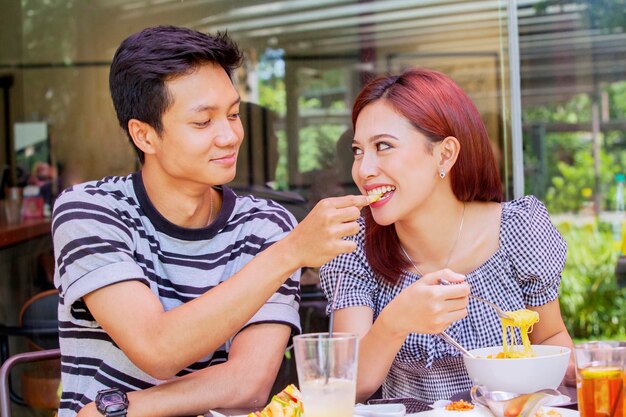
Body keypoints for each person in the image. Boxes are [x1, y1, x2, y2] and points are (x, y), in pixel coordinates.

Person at [52, 25, 368, 417]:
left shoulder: (264, 225)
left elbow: (249, 383)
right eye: (203, 122)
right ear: (145, 136)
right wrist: (291, 253)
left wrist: (118, 408)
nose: (230, 136)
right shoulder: (90, 211)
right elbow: (157, 349)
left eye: (233, 114)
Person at [319, 68, 575, 403]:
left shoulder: (517, 229)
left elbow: (551, 336)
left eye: (383, 146)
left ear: (445, 154)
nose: (363, 169)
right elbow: (345, 385)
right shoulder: (353, 244)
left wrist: (589, 371)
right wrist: (395, 322)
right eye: (358, 150)